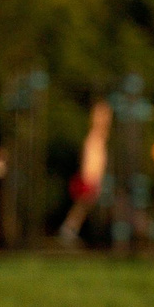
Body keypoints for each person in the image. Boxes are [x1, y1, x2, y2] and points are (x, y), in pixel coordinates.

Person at [56, 99, 113, 245]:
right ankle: (71, 230)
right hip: (91, 178)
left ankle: (72, 230)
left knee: (84, 207)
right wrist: (91, 179)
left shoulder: (99, 138)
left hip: (94, 178)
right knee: (83, 206)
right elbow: (90, 162)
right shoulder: (94, 139)